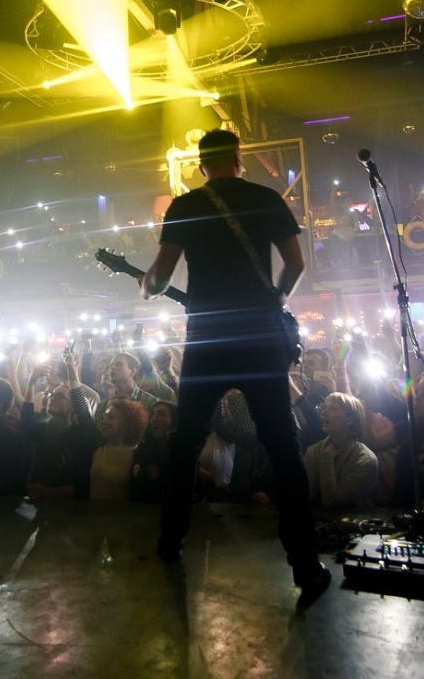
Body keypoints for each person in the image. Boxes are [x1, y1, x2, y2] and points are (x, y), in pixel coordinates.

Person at [137, 128, 329, 600]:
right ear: (238, 159)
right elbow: (296, 264)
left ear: (200, 165)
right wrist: (273, 299)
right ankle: (305, 567)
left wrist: (145, 286)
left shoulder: (185, 206)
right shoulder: (266, 199)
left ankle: (169, 542)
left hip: (208, 337)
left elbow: (159, 278)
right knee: (283, 444)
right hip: (260, 336)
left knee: (185, 442)